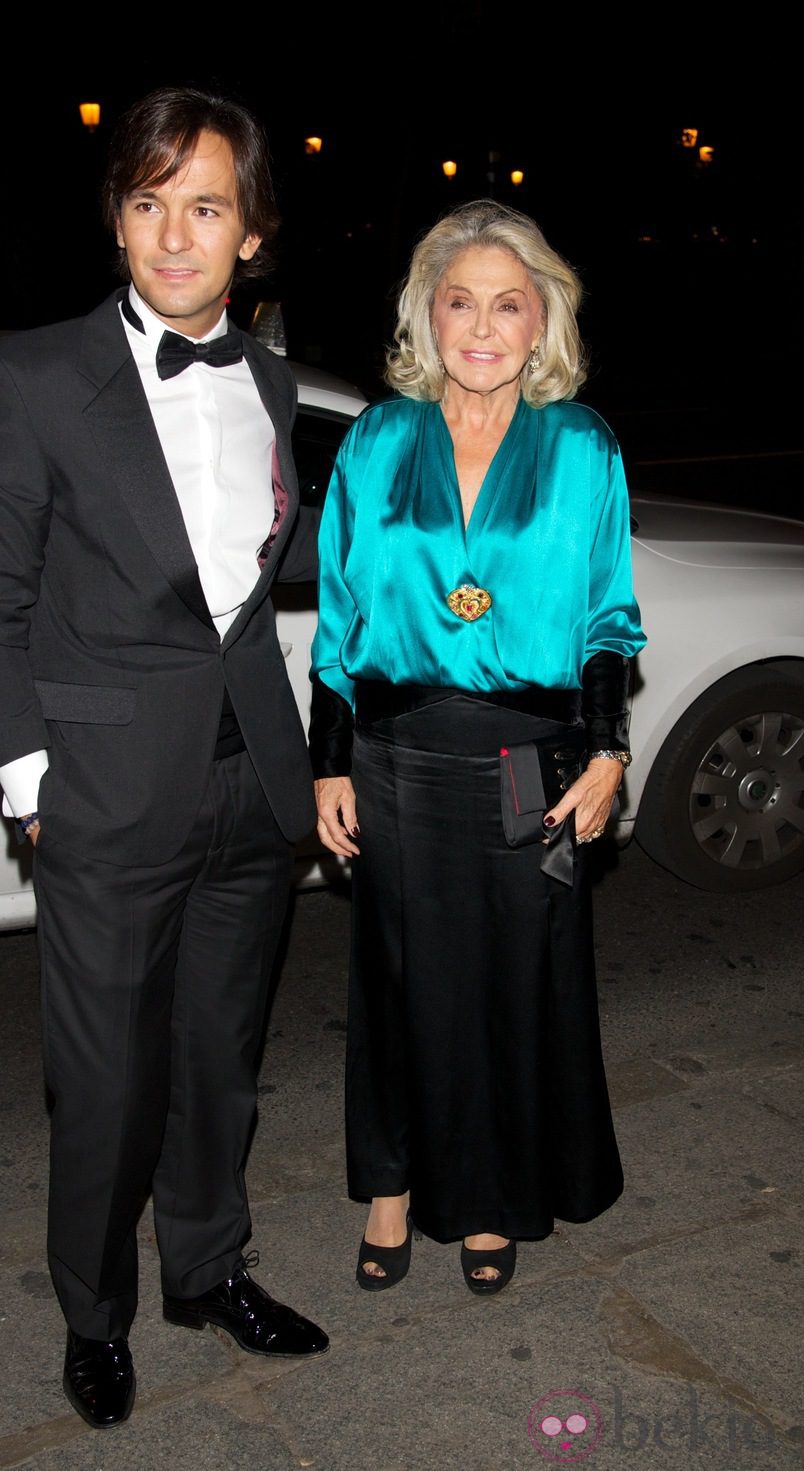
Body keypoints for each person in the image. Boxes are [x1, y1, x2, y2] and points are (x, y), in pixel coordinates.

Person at [0, 85, 328, 1430]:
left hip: (249, 785)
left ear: (253, 233)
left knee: (219, 1058)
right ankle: (94, 1314)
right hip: (105, 799)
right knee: (107, 1082)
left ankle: (207, 1269)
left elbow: (249, 590)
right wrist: (35, 789)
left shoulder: (270, 378)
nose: (176, 234)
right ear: (117, 220)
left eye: (206, 205)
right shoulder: (35, 376)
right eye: (150, 202)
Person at [310, 200, 646, 1297]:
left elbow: (606, 616)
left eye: (509, 303)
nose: (484, 325)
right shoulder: (376, 440)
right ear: (428, 312)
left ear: (540, 317)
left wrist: (606, 753)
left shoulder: (580, 444)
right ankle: (392, 1185)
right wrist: (327, 762)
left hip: (529, 765)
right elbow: (340, 620)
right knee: (399, 980)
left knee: (514, 982)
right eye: (462, 301)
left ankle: (495, 1193)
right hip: (396, 758)